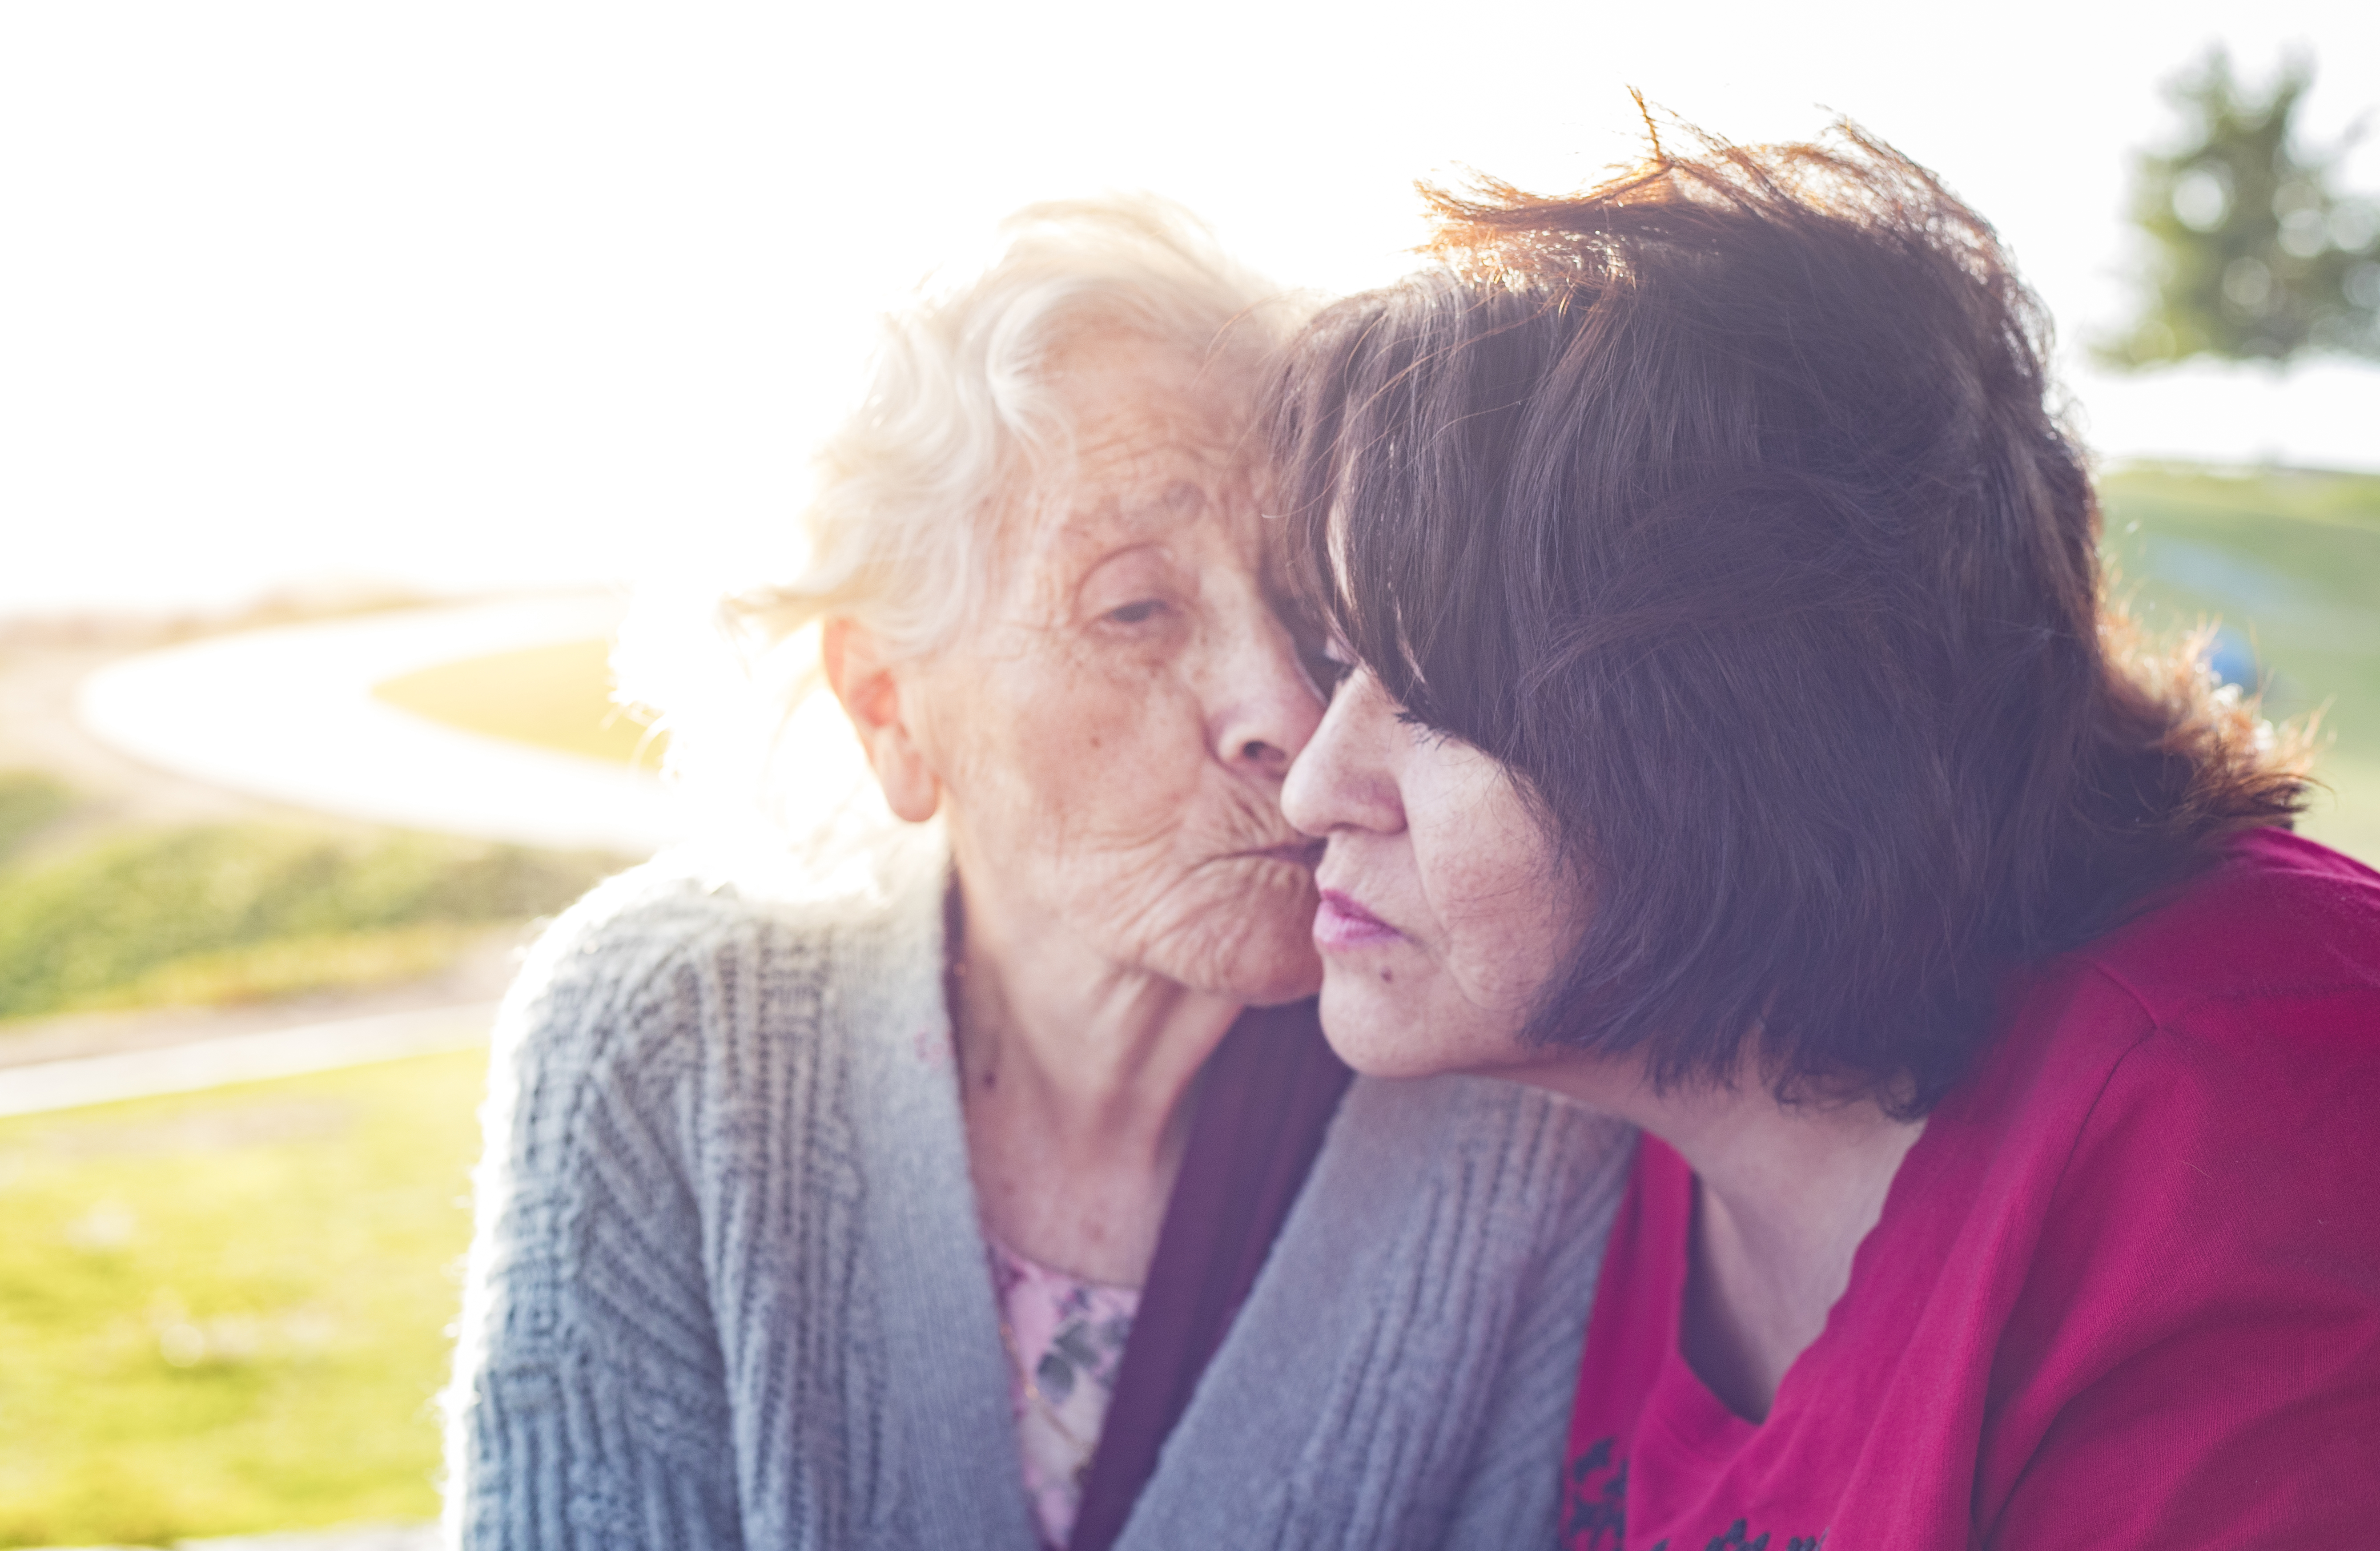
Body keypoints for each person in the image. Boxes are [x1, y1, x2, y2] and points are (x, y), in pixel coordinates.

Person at [440, 197, 1632, 1551]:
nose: (1290, 715)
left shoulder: (1506, 1106)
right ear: (890, 707)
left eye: (1312, 608)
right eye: (1136, 609)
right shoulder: (670, 1035)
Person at [1273, 127, 2380, 1550]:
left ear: (1732, 740)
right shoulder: (1630, 1091)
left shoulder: (2244, 1123)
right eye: (1333, 656)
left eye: (1430, 701)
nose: (1312, 788)